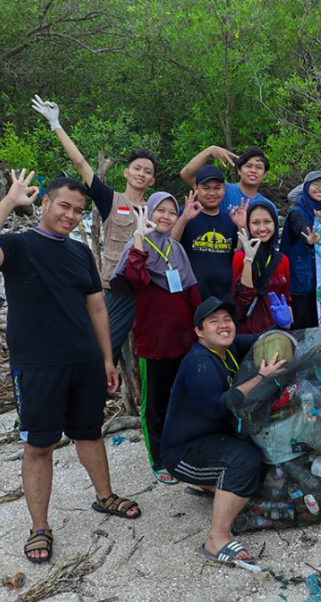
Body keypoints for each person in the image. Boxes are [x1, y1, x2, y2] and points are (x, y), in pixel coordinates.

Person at [0, 172, 141, 565]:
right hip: (38, 365)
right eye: (64, 206)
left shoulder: (80, 252)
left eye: (79, 210)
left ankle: (104, 496)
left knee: (89, 433)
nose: (71, 215)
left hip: (85, 361)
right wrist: (9, 202)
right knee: (38, 447)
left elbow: (96, 306)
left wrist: (107, 358)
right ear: (44, 203)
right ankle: (39, 527)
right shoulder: (17, 245)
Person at [32, 95, 158, 364]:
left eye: (147, 171)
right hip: (117, 289)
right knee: (101, 351)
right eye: (137, 168)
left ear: (152, 179)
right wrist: (56, 124)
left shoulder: (157, 209)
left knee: (148, 355)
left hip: (148, 291)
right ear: (126, 172)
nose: (141, 174)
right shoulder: (111, 199)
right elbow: (80, 164)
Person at [161, 298, 287, 566]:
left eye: (227, 319)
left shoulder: (229, 348)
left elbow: (266, 341)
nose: (223, 325)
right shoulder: (200, 362)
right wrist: (259, 379)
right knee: (246, 460)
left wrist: (282, 326)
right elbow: (217, 408)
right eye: (213, 321)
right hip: (183, 452)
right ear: (199, 331)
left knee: (265, 458)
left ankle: (217, 489)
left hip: (213, 440)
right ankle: (216, 538)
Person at [111, 192, 201, 484]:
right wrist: (139, 237)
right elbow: (134, 279)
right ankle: (158, 458)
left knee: (183, 399)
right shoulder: (135, 247)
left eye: (171, 212)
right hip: (154, 340)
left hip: (184, 338)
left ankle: (181, 448)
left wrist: (201, 326)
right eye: (159, 210)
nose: (165, 216)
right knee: (155, 404)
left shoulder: (177, 249)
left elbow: (190, 290)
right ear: (148, 213)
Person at [171, 165, 247, 300]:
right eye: (206, 188)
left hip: (225, 294)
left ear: (224, 189)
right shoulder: (185, 215)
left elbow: (238, 253)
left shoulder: (230, 219)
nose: (212, 193)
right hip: (191, 292)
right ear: (195, 188)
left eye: (217, 188)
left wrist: (242, 227)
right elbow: (170, 246)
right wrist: (183, 219)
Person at [280, 170, 321, 329]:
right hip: (300, 285)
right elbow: (300, 227)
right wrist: (309, 238)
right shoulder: (296, 211)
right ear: (306, 187)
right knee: (303, 328)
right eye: (316, 184)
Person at [231, 199, 293, 334]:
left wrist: (288, 325)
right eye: (255, 223)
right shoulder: (240, 257)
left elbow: (286, 299)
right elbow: (242, 298)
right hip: (247, 332)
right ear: (248, 225)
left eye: (267, 222)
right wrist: (248, 260)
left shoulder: (282, 260)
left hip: (276, 330)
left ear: (275, 224)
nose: (262, 228)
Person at [180, 145, 272, 212]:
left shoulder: (268, 206)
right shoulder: (221, 189)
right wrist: (210, 151)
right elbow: (186, 175)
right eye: (248, 166)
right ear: (239, 170)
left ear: (264, 175)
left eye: (259, 167)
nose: (253, 170)